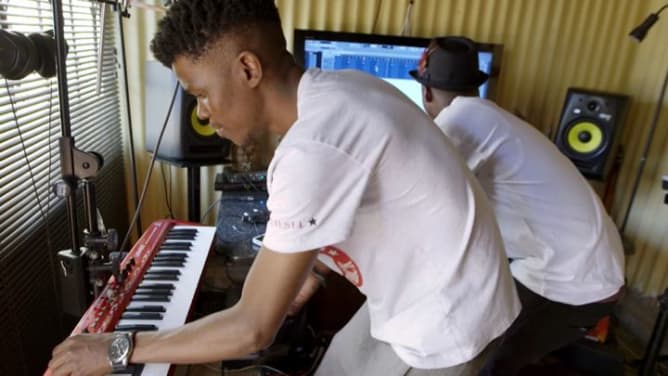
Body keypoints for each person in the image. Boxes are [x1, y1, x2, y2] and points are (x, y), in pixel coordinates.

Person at [47, 2, 521, 375]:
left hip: (449, 322)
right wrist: (310, 268)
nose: (204, 113)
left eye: (200, 94)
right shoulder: (342, 87)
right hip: (428, 289)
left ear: (248, 70)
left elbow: (253, 328)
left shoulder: (313, 147)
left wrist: (116, 347)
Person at [410, 36, 626, 375]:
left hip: (575, 280)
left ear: (425, 93)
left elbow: (423, 207)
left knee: (483, 364)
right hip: (570, 262)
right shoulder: (487, 115)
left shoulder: (460, 123)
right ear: (474, 87)